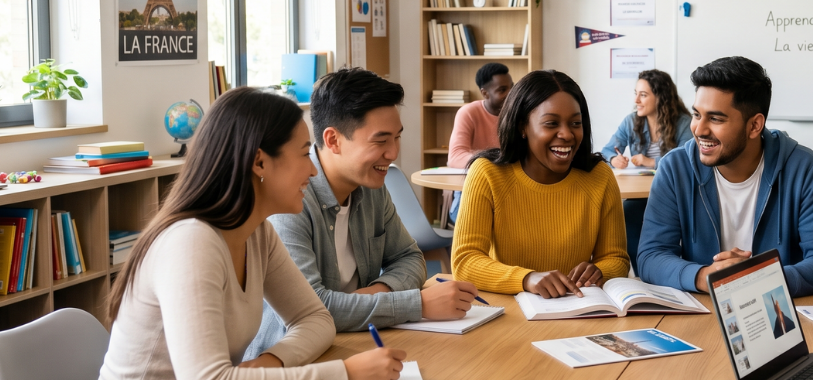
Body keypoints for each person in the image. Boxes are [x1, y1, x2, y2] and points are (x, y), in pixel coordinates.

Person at [100, 87, 406, 380]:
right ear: (259, 162)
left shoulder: (257, 233)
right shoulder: (191, 243)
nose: (313, 171)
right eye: (303, 155)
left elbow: (317, 320)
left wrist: (267, 364)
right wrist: (345, 373)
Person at [247, 68, 479, 361]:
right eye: (381, 141)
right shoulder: (290, 201)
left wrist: (372, 296)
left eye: (396, 138)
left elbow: (410, 258)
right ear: (333, 140)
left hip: (358, 342)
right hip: (295, 359)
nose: (393, 153)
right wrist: (415, 304)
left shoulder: (371, 187)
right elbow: (312, 309)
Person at [638, 56, 813, 296]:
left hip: (779, 314)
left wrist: (758, 277)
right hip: (701, 309)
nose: (699, 129)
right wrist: (703, 276)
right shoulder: (674, 168)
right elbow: (650, 257)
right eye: (697, 115)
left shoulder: (805, 168)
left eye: (716, 118)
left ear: (754, 126)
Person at [451, 70, 629, 296]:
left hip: (579, 308)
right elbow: (465, 262)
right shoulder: (487, 173)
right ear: (522, 126)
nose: (566, 134)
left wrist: (599, 271)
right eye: (551, 123)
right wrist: (526, 278)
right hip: (511, 312)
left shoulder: (599, 176)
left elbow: (617, 259)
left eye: (575, 123)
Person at [601, 69, 693, 274]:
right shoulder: (631, 121)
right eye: (636, 93)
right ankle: (643, 272)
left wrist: (651, 161)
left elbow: (686, 159)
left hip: (673, 193)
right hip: (641, 193)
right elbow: (607, 150)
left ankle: (673, 271)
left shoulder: (684, 123)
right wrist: (614, 158)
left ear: (660, 97)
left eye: (643, 95)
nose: (636, 100)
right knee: (629, 213)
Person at [446, 63, 513, 223]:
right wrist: (496, 160)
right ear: (485, 93)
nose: (510, 94)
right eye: (502, 90)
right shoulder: (468, 112)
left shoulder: (517, 114)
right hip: (471, 191)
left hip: (507, 191)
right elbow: (455, 157)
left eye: (512, 88)